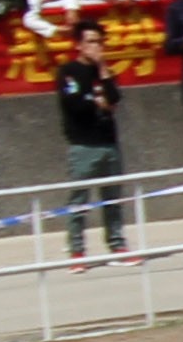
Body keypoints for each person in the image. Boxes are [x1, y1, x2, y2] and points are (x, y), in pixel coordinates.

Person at [55, 23, 128, 266]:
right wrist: (97, 100)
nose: (97, 47)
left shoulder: (104, 72)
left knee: (112, 197)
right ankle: (77, 250)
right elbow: (74, 105)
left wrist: (104, 72)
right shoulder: (69, 71)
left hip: (109, 141)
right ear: (79, 44)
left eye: (100, 42)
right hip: (83, 143)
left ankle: (117, 243)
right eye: (91, 42)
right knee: (79, 200)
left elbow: (115, 99)